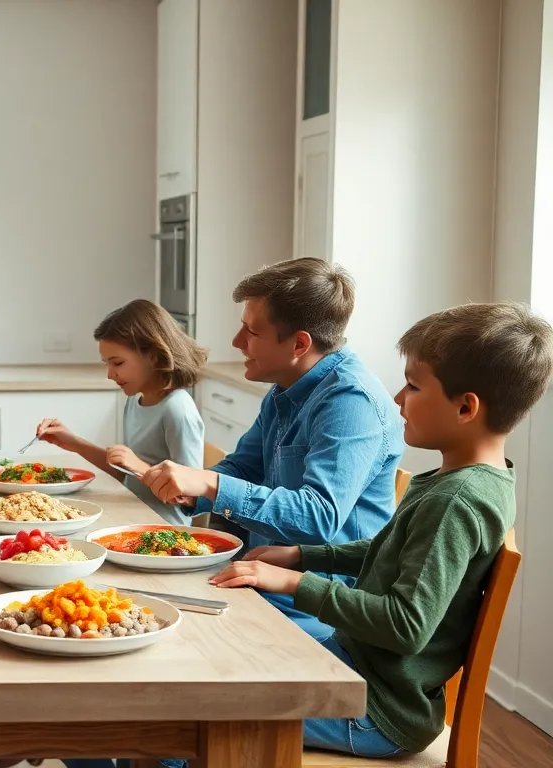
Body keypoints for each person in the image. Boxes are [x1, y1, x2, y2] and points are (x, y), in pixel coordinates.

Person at [208, 303, 552, 760]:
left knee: (191, 713)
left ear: (466, 406)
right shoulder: (468, 482)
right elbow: (392, 547)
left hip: (374, 710)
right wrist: (303, 557)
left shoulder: (457, 500)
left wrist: (294, 583)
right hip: (357, 673)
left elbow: (404, 625)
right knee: (217, 663)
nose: (396, 399)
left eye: (413, 385)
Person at [141, 258, 404, 641]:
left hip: (322, 606)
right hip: (262, 581)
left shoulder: (351, 403)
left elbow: (319, 518)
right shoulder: (286, 386)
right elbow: (245, 468)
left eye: (251, 331)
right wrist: (188, 492)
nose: (236, 342)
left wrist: (210, 484)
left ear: (300, 343)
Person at [35, 300, 206, 524]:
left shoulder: (177, 409)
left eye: (117, 363)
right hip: (132, 515)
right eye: (107, 363)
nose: (109, 374)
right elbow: (124, 473)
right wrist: (73, 443)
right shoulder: (135, 401)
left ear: (153, 356)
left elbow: (190, 496)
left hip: (163, 530)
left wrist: (140, 467)